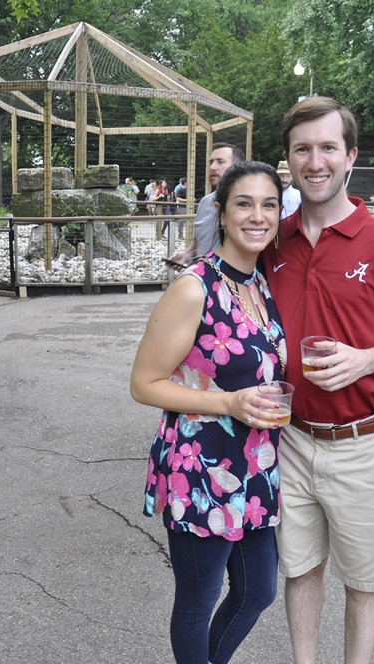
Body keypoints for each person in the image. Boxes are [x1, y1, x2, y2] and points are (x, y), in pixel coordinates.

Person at [263, 96, 374, 664]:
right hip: (289, 440)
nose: (315, 161)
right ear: (289, 160)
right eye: (303, 150)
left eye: (327, 148)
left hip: (365, 442)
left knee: (365, 581)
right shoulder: (274, 243)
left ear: (351, 156)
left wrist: (365, 359)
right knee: (299, 569)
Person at [131, 161, 288, 662]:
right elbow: (143, 383)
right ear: (221, 213)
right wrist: (226, 402)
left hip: (255, 466)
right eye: (244, 204)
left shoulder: (260, 282)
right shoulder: (194, 287)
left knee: (257, 591)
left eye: (269, 205)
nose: (257, 216)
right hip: (201, 468)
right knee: (198, 603)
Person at [170, 143, 245, 264]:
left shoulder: (250, 206)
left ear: (237, 167)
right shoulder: (205, 202)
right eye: (211, 162)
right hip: (204, 276)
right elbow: (198, 241)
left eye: (220, 162)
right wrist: (185, 254)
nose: (213, 167)